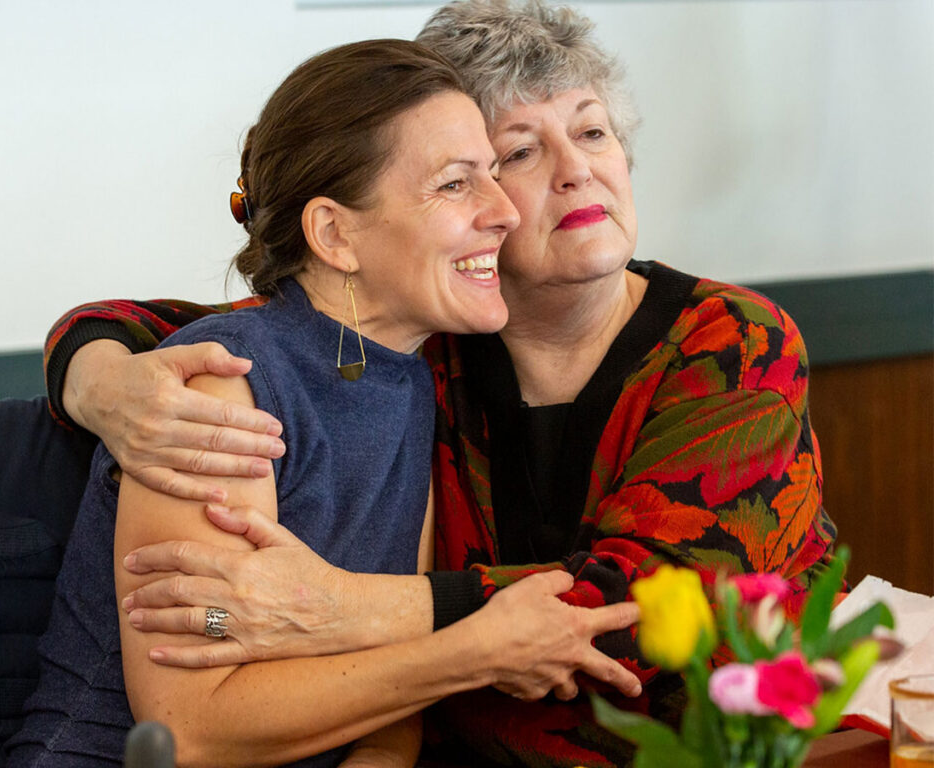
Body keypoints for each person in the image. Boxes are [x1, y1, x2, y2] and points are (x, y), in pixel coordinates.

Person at [41, 1, 838, 765]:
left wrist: (339, 608)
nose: (575, 172)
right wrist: (100, 377)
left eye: (594, 131)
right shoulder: (416, 341)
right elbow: (236, 325)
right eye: (512, 156)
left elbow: (645, 611)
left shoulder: (732, 344)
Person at [6, 37, 644, 768]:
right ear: (336, 234)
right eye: (457, 183)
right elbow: (193, 724)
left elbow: (388, 720)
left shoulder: (410, 379)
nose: (505, 211)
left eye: (495, 175)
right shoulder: (224, 387)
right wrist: (470, 653)